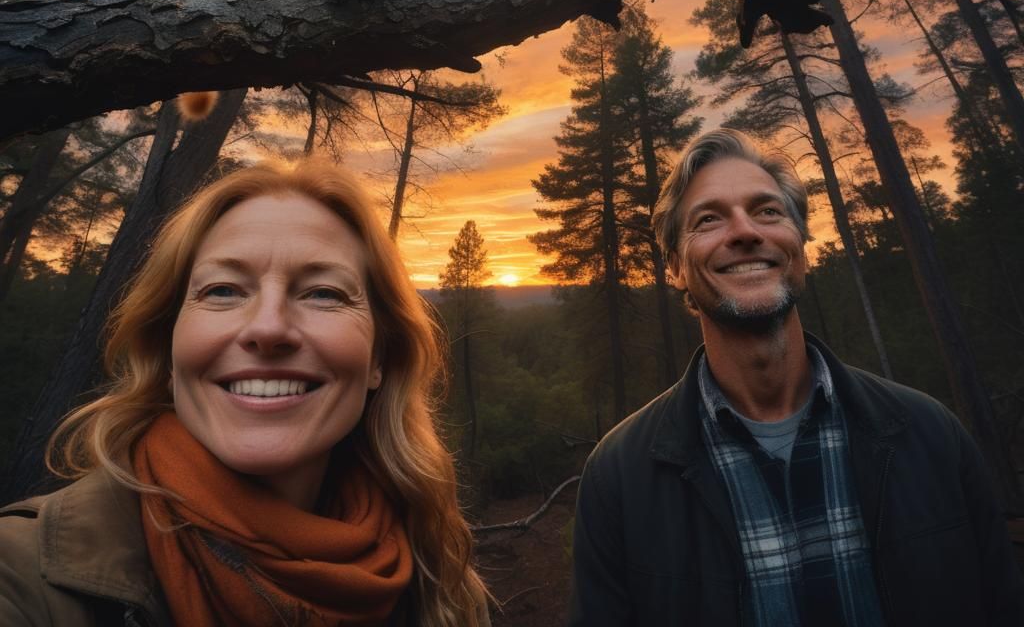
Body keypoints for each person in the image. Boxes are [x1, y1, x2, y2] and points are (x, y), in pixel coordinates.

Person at [0, 159, 491, 627]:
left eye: (323, 293)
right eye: (223, 291)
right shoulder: (21, 575)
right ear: (167, 351)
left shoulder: (440, 582)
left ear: (379, 360)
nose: (269, 327)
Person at [568, 129, 1024, 626]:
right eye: (709, 219)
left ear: (800, 247)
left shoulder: (932, 433)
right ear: (675, 267)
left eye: (767, 211)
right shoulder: (617, 477)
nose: (745, 231)